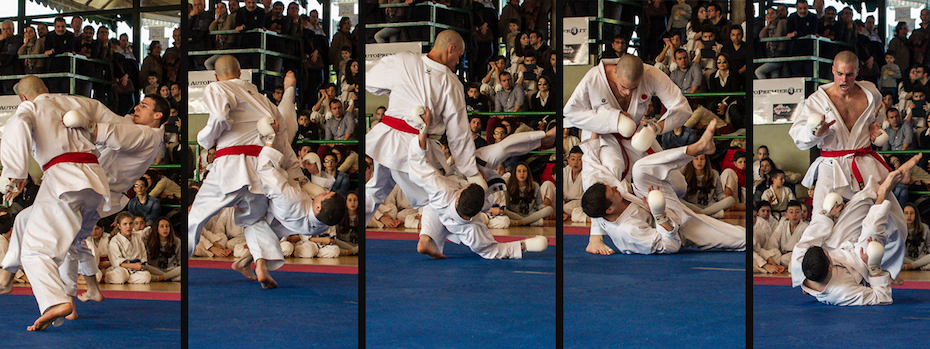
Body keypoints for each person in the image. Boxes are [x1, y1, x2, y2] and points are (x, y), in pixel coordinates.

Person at [364, 30, 484, 225]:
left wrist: (398, 94)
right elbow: (458, 132)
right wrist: (471, 171)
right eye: (458, 56)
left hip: (387, 137)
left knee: (376, 190)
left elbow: (369, 81)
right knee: (432, 196)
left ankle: (352, 228)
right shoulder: (450, 82)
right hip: (409, 146)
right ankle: (430, 240)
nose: (457, 62)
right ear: (450, 49)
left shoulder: (402, 60)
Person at [580, 120, 745, 255]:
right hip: (673, 226)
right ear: (609, 210)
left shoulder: (599, 190)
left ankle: (696, 148)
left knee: (639, 169)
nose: (617, 188)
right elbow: (671, 245)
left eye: (612, 187)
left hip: (653, 197)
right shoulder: (629, 232)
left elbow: (591, 156)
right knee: (744, 239)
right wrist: (658, 214)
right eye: (613, 192)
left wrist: (598, 125)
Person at [407, 110, 549, 260]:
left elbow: (417, 162)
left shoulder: (441, 190)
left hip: (445, 196)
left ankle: (426, 237)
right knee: (500, 149)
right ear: (476, 213)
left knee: (430, 202)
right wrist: (525, 245)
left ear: (460, 193)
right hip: (464, 181)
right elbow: (492, 251)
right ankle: (542, 138)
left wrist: (424, 128)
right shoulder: (472, 228)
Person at [790, 154, 920, 289]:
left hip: (836, 243)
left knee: (860, 202)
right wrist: (876, 273)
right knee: (872, 232)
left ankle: (885, 186)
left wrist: (828, 214)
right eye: (827, 255)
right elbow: (880, 297)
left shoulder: (801, 262)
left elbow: (815, 231)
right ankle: (883, 193)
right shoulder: (842, 291)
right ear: (830, 267)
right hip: (859, 259)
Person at [564, 54, 692, 187]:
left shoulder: (651, 75)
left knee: (678, 184)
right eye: (623, 87)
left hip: (636, 133)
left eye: (634, 88)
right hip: (602, 134)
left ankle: (651, 203)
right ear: (615, 71)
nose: (628, 93)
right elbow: (571, 112)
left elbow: (682, 108)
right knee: (613, 169)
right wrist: (615, 117)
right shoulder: (594, 78)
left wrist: (655, 128)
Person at [789, 51, 890, 216]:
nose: (844, 79)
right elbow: (797, 136)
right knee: (823, 218)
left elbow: (875, 110)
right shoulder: (817, 101)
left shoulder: (870, 91)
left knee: (880, 216)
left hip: (864, 163)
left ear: (857, 72)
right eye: (840, 74)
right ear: (833, 71)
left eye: (849, 74)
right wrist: (815, 133)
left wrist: (871, 125)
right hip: (831, 166)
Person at [144, 217, 180, 282]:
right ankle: (169, 277)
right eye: (162, 226)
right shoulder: (149, 242)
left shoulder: (177, 241)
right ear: (157, 229)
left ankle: (161, 278)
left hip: (171, 270)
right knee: (145, 267)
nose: (165, 229)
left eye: (167, 226)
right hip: (155, 270)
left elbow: (180, 261)